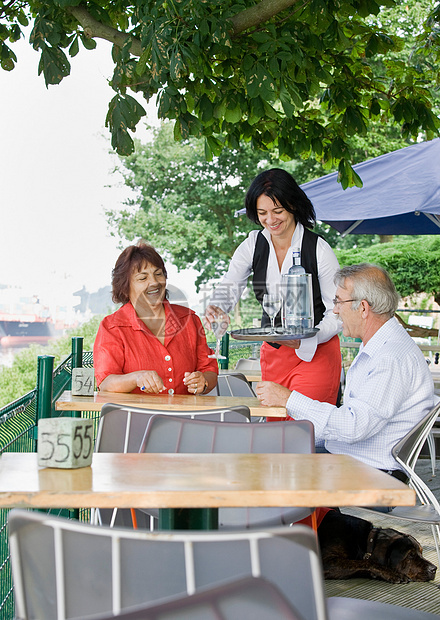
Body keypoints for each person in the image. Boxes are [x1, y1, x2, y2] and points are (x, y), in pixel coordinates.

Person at [256, 263, 435, 475]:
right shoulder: (380, 345)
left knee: (266, 466)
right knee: (272, 448)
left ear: (363, 308)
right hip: (356, 459)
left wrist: (289, 399)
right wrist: (294, 433)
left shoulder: (391, 357)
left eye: (339, 301)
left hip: (371, 473)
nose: (335, 310)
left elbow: (354, 427)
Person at [205, 168, 342, 409]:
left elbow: (338, 311)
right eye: (262, 213)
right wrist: (217, 306)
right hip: (274, 354)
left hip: (316, 354)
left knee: (306, 426)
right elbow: (230, 283)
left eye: (277, 211)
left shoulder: (318, 248)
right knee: (276, 430)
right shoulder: (252, 245)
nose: (270, 220)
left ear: (293, 205)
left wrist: (309, 340)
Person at [94, 243, 218, 396]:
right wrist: (136, 378)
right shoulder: (112, 327)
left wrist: (203, 381)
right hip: (133, 418)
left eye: (158, 274)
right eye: (142, 278)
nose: (154, 282)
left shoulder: (189, 319)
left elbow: (210, 371)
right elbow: (105, 383)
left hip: (184, 417)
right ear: (125, 287)